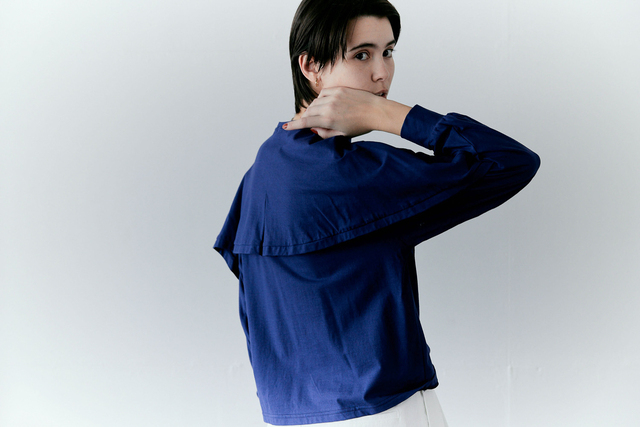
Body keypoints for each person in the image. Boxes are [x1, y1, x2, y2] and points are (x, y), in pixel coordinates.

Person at [214, 0, 540, 425]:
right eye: (361, 55)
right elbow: (510, 161)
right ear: (311, 66)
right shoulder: (361, 175)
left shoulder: (261, 172)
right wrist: (386, 113)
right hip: (387, 410)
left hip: (291, 416)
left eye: (388, 52)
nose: (382, 73)